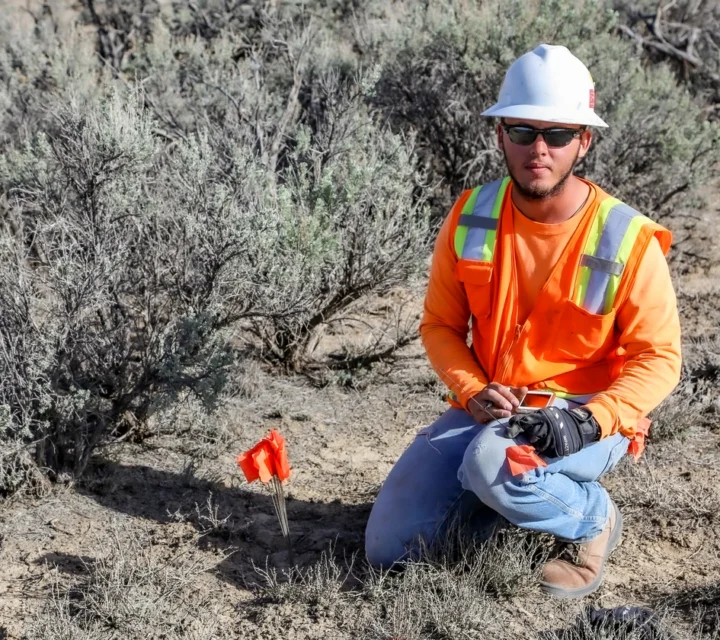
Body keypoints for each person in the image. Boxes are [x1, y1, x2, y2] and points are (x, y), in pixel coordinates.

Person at [364, 44, 682, 599]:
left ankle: (591, 518)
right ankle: (511, 508)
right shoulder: (470, 216)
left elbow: (660, 359)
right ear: (499, 134)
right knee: (388, 549)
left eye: (558, 134)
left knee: (491, 462)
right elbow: (440, 326)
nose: (540, 149)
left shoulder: (627, 238)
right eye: (523, 130)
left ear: (583, 141)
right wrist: (470, 389)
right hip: (495, 407)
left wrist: (591, 419)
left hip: (587, 417)